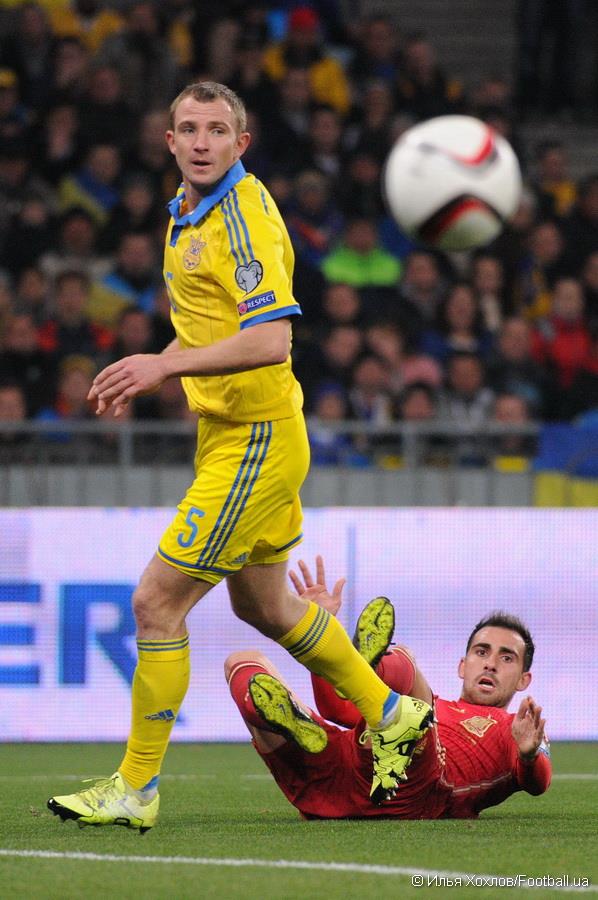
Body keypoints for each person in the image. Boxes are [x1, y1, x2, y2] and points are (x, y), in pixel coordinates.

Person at [47, 81, 432, 832]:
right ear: (169, 141)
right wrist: (153, 364)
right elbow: (209, 328)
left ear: (240, 143)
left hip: (256, 439)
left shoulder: (244, 216)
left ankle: (136, 787)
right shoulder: (185, 214)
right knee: (264, 605)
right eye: (188, 128)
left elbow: (271, 340)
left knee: (156, 603)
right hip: (236, 433)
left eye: (217, 130)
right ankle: (392, 715)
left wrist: (163, 367)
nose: (201, 142)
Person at [225, 557, 551, 820]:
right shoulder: (432, 704)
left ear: (524, 679)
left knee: (409, 690)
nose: (491, 663)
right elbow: (337, 709)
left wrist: (528, 755)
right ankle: (342, 681)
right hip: (343, 778)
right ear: (462, 666)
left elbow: (540, 782)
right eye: (481, 652)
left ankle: (366, 666)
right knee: (242, 661)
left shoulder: (519, 728)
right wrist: (323, 625)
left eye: (506, 658)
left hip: (417, 788)